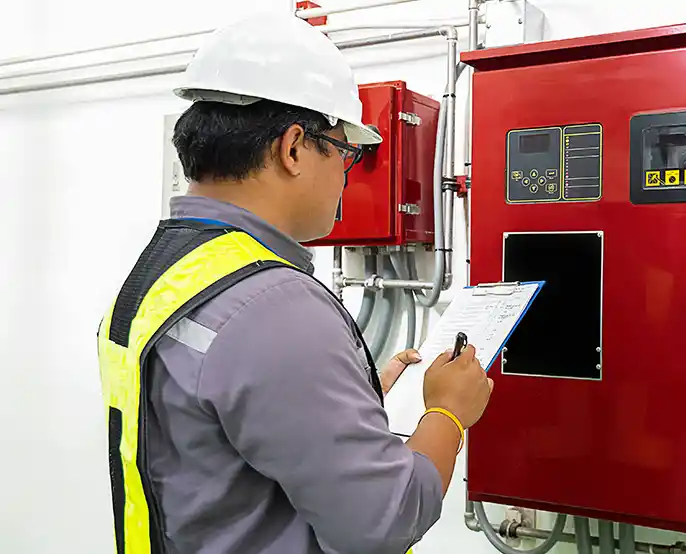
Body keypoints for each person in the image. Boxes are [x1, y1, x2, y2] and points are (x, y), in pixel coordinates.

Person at [95, 12, 493, 554]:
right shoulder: (275, 306)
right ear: (294, 148)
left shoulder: (161, 274)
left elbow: (218, 428)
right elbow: (384, 523)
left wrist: (343, 400)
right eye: (346, 154)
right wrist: (448, 412)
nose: (345, 178)